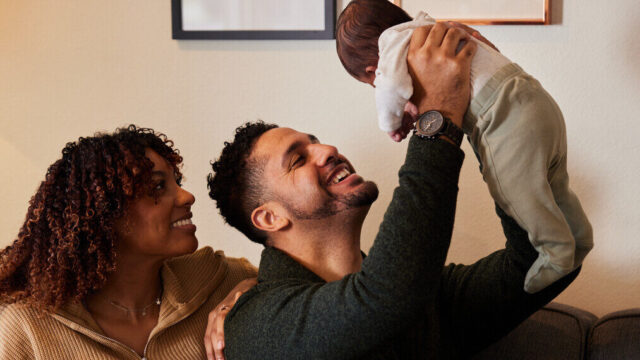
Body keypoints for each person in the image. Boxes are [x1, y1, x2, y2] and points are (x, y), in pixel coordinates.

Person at [206, 24, 580, 359]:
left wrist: (490, 106)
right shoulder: (256, 323)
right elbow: (385, 297)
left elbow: (541, 262)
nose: (327, 150)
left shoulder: (429, 298)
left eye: (315, 142)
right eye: (297, 160)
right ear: (269, 217)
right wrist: (438, 117)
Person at [335, 0, 593, 293]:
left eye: (372, 81)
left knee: (514, 191)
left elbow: (392, 88)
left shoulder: (392, 44)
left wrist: (391, 122)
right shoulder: (429, 27)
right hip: (534, 96)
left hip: (504, 115)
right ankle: (578, 235)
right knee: (553, 180)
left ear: (372, 70)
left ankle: (555, 252)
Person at [0, 125, 257, 359]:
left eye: (176, 182)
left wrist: (247, 290)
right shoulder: (27, 328)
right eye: (157, 187)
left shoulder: (218, 280)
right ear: (104, 214)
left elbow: (289, 284)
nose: (186, 196)